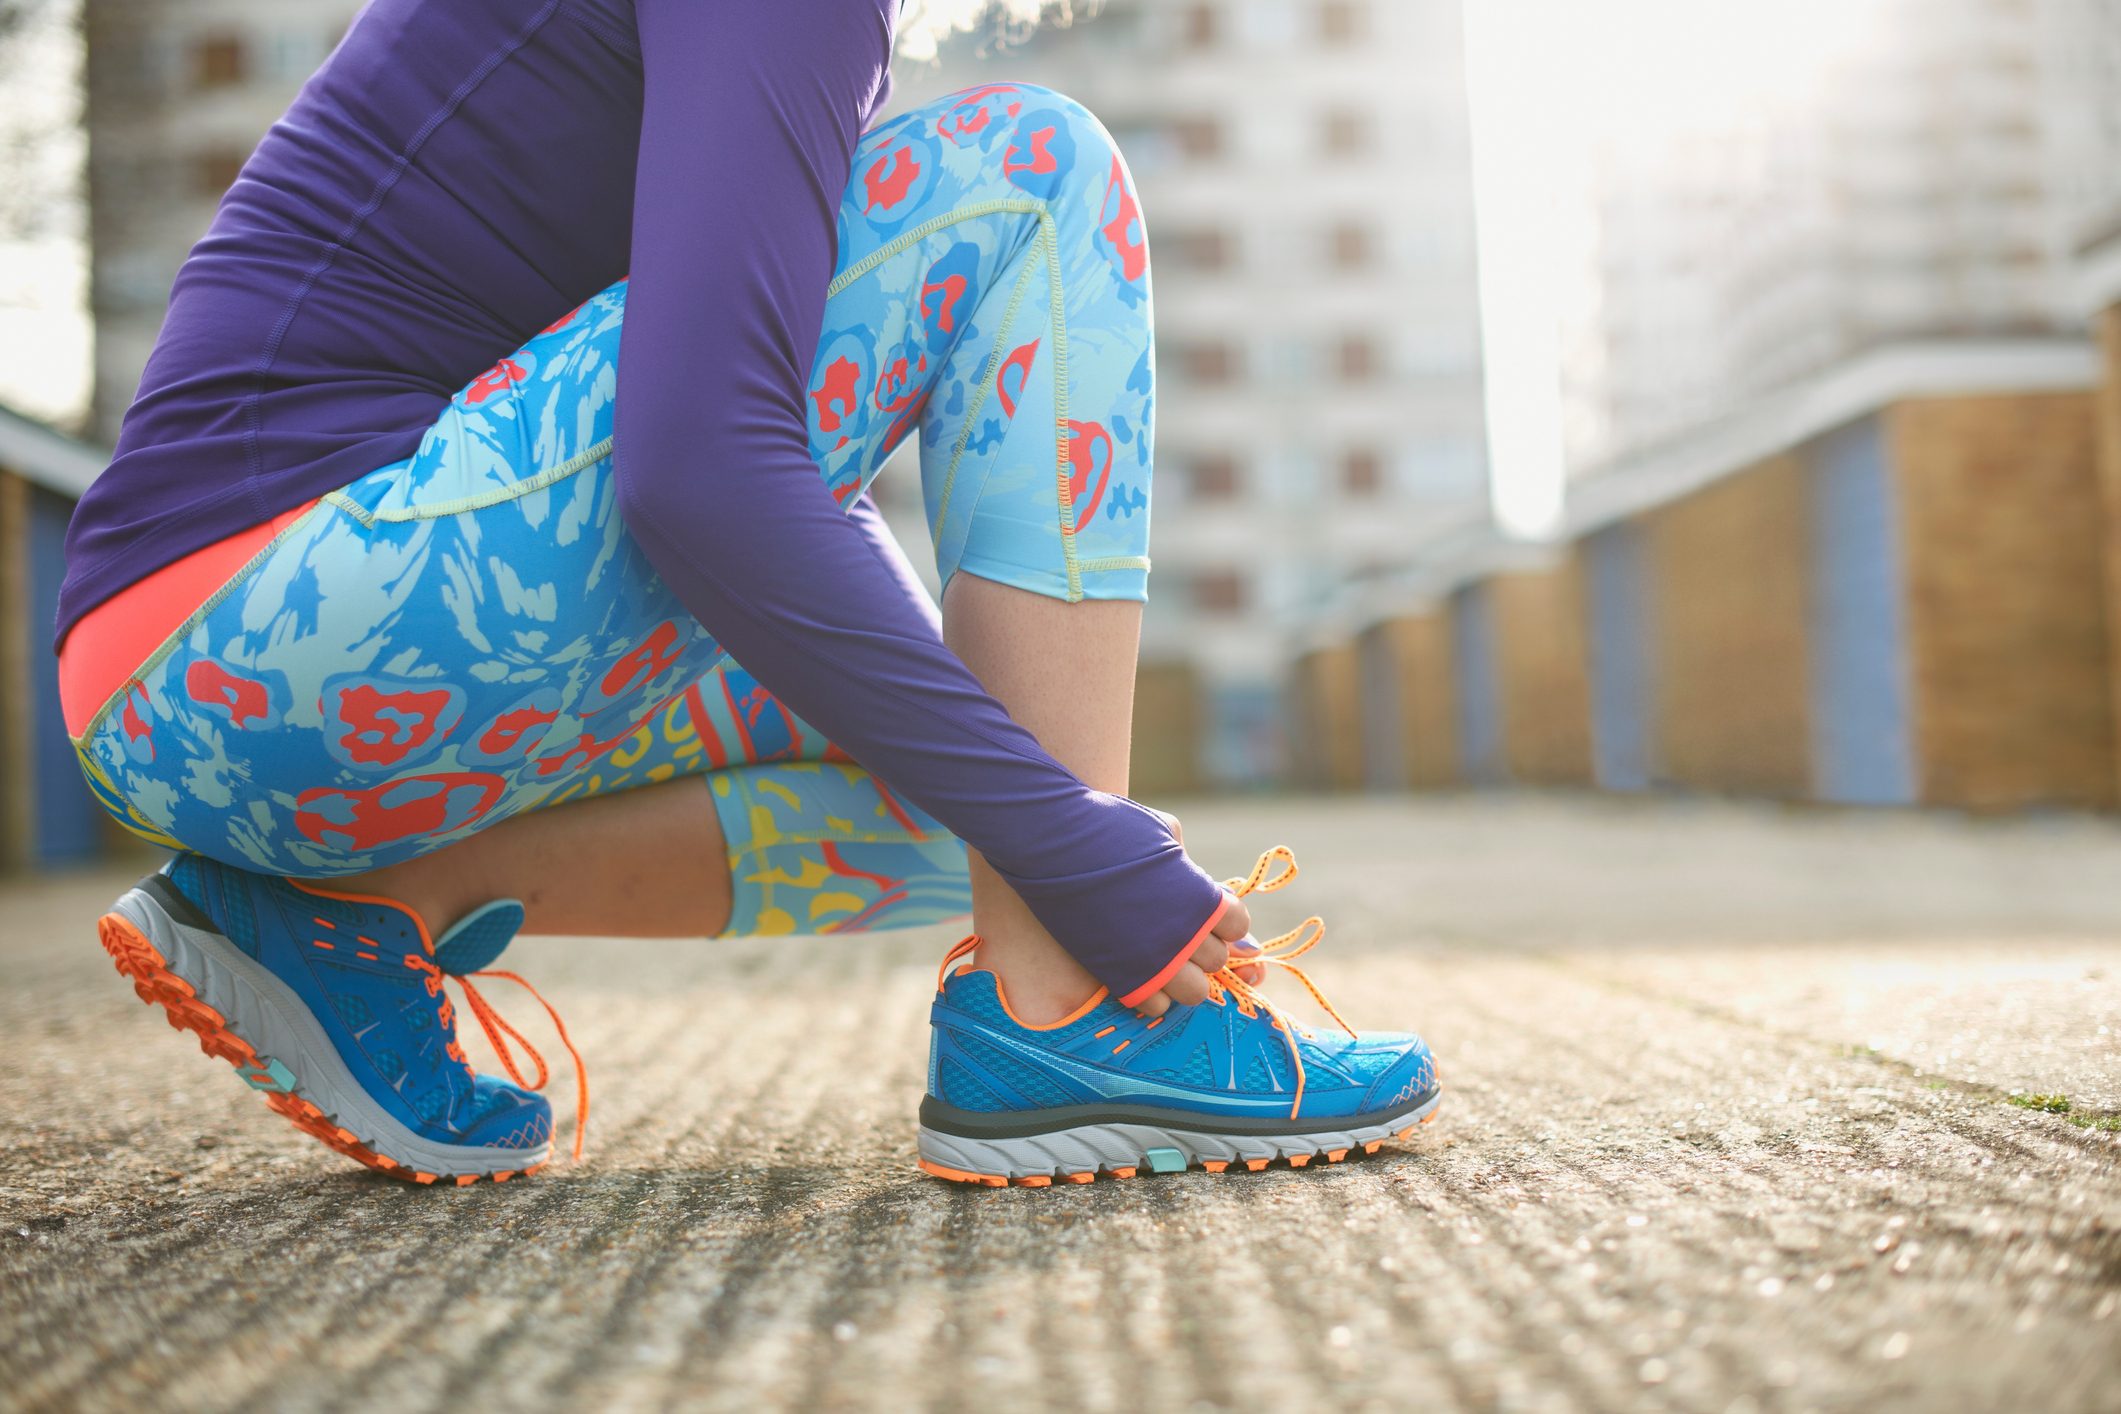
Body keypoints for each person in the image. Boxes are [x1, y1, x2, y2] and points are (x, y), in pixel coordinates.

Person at [59, 0, 1437, 1187]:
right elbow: (702, 464)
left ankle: (365, 908)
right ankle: (1072, 1014)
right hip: (260, 599)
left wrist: (1042, 815)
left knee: (953, 756)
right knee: (1033, 176)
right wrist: (1081, 849)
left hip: (228, 681)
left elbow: (693, 423)